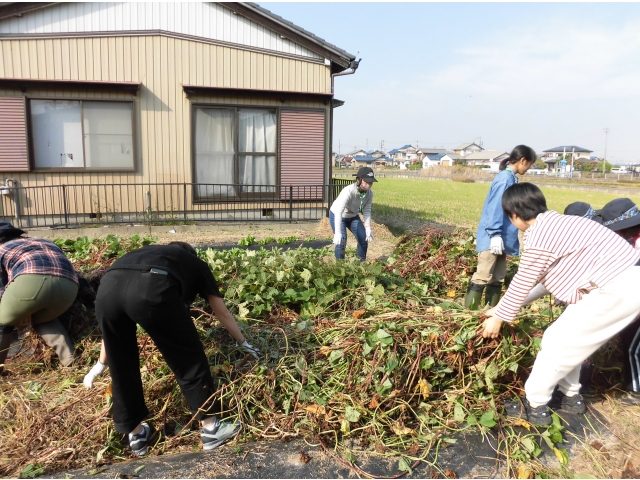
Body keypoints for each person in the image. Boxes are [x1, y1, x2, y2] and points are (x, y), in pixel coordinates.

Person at [481, 183, 640, 426]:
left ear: (514, 214)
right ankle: (570, 395)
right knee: (574, 342)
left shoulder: (540, 235)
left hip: (614, 288)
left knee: (556, 339)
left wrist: (499, 317)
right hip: (626, 284)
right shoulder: (564, 224)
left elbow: (524, 278)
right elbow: (545, 281)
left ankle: (535, 404)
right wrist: (502, 308)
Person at [95, 242, 260, 456]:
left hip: (107, 290)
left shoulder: (143, 254)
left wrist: (102, 362)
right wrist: (243, 342)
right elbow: (221, 311)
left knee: (121, 365)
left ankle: (136, 435)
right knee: (187, 357)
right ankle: (211, 428)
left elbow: (110, 337)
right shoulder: (194, 262)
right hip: (151, 287)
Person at [0, 223, 80, 372]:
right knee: (43, 317)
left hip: (30, 283)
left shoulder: (2, 249)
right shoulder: (46, 242)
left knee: (3, 320)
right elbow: (76, 274)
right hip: (68, 289)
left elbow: (1, 289)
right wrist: (91, 298)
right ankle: (70, 361)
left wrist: (9, 315)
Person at [465, 145, 537, 310]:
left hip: (503, 237)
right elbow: (496, 207)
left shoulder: (511, 178)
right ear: (523, 160)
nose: (529, 168)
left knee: (498, 277)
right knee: (483, 274)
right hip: (493, 236)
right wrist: (495, 234)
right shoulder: (505, 178)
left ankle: (491, 312)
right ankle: (470, 313)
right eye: (530, 164)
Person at [600, 198, 640, 406]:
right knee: (627, 341)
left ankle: (636, 392)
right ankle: (628, 381)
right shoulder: (632, 240)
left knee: (635, 349)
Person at [329, 166, 376, 261]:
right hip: (338, 215)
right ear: (358, 180)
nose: (369, 185)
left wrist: (368, 228)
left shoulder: (369, 194)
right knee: (341, 241)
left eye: (370, 182)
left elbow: (367, 210)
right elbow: (339, 211)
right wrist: (337, 232)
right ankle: (339, 267)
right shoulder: (348, 191)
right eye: (366, 182)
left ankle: (359, 264)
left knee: (363, 238)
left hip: (353, 216)